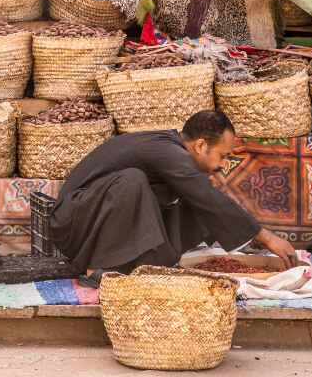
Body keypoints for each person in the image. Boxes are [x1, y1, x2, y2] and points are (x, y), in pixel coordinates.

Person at [49, 109, 298, 287]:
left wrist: (247, 235)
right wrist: (264, 235)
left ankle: (140, 264)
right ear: (200, 146)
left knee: (198, 189)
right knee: (134, 180)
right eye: (223, 156)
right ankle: (95, 267)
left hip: (96, 220)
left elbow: (203, 196)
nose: (224, 165)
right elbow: (205, 196)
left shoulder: (175, 155)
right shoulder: (169, 152)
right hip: (72, 224)